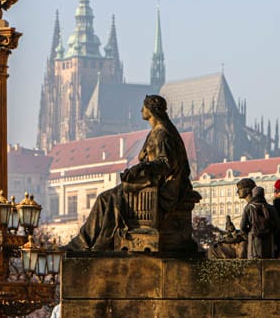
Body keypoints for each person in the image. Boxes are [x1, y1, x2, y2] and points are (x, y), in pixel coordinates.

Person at [71, 95, 194, 250]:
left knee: (106, 199)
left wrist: (141, 168)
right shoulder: (158, 131)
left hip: (162, 189)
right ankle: (87, 241)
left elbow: (166, 163)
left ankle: (85, 243)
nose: (141, 110)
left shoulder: (162, 133)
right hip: (151, 184)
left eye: (144, 107)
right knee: (109, 198)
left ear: (151, 110)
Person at [240, 186, 280, 259]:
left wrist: (249, 233)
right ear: (263, 195)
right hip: (268, 242)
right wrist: (270, 233)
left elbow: (242, 226)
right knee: (268, 264)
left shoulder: (248, 208)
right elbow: (278, 226)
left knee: (253, 264)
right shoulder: (271, 208)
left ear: (253, 195)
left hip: (253, 242)